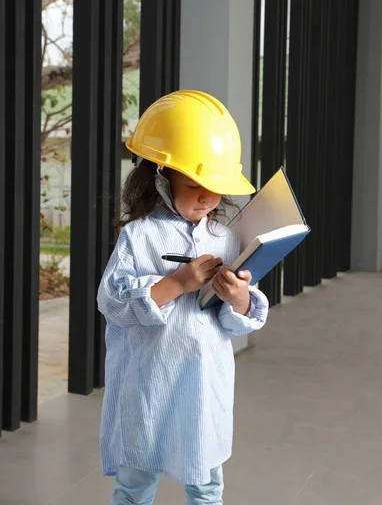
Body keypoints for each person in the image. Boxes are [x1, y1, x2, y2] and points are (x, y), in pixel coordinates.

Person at [97, 90, 269, 505]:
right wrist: (176, 283)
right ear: (160, 176)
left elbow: (239, 319)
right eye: (194, 185)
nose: (207, 197)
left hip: (203, 382)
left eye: (214, 188)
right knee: (136, 482)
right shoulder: (139, 236)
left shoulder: (226, 238)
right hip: (148, 382)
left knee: (207, 484)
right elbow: (112, 303)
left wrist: (239, 298)